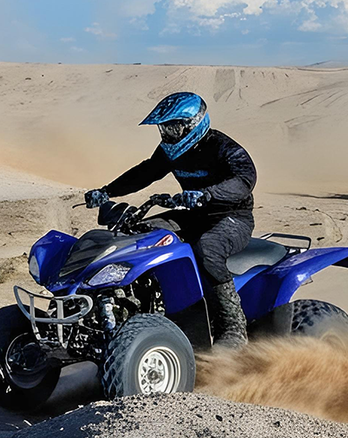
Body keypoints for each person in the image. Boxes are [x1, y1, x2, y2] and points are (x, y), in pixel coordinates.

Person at [83, 92, 256, 349]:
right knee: (141, 234)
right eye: (164, 128)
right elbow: (146, 172)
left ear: (192, 124)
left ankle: (233, 327)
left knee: (207, 249)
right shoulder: (170, 151)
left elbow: (244, 180)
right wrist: (108, 191)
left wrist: (208, 194)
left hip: (232, 218)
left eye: (173, 127)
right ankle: (138, 308)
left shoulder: (224, 148)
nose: (167, 134)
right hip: (194, 215)